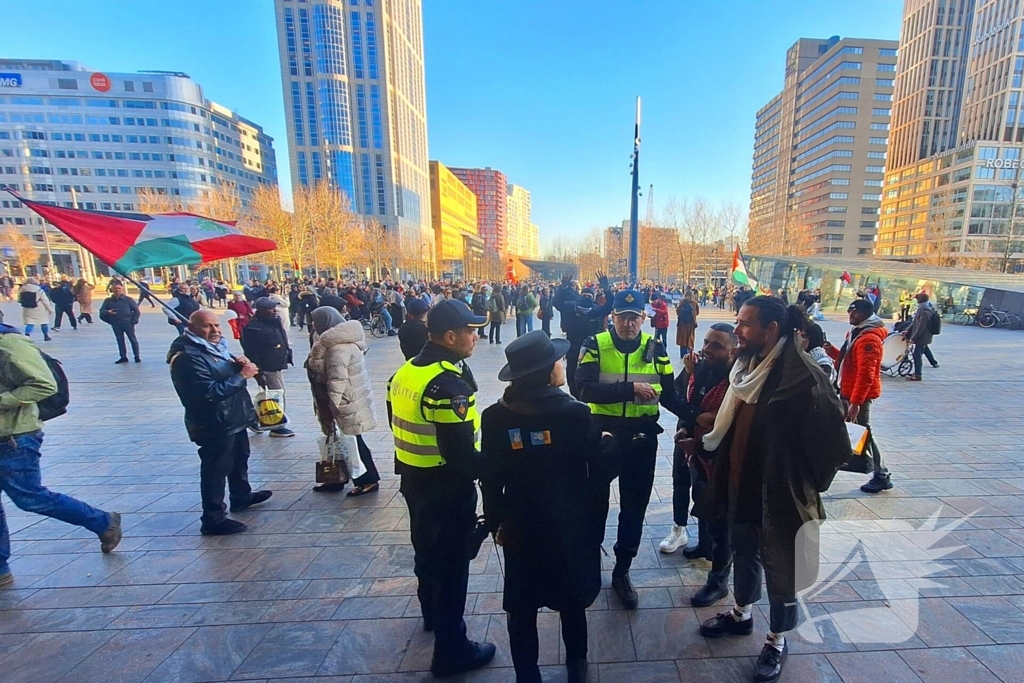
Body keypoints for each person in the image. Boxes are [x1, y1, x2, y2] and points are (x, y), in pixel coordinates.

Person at [698, 296, 849, 683]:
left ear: (771, 329)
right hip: (739, 483)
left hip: (780, 492)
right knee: (744, 550)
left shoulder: (803, 377)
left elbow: (833, 445)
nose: (737, 331)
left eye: (745, 324)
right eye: (738, 322)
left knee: (783, 566)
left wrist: (803, 484)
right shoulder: (745, 366)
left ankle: (778, 640)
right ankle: (741, 614)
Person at [481, 331, 617, 683]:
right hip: (567, 524)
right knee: (571, 601)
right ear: (545, 371)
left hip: (519, 526)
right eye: (558, 360)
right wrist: (609, 445)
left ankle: (527, 674)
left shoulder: (495, 416)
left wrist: (497, 521)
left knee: (521, 605)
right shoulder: (576, 414)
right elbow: (599, 473)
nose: (563, 363)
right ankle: (577, 665)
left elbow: (491, 476)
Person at [386, 299, 496, 677]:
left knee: (427, 554)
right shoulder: (447, 385)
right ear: (450, 336)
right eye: (471, 330)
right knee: (452, 568)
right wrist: (501, 468)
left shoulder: (407, 371)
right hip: (446, 488)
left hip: (414, 480)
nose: (476, 337)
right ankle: (452, 651)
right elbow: (462, 458)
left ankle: (431, 613)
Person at [576, 289, 686, 609]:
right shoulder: (595, 345)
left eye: (634, 318)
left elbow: (668, 394)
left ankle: (622, 571)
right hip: (602, 436)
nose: (628, 324)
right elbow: (583, 388)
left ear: (643, 318)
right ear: (612, 318)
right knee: (594, 506)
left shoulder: (655, 348)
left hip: (640, 438)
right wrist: (629, 390)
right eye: (622, 317)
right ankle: (589, 568)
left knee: (634, 508)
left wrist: (695, 416)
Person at [0, 320, 123, 585]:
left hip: (14, 438)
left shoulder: (9, 343)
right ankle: (0, 568)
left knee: (30, 497)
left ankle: (102, 521)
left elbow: (43, 384)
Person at [168, 310, 272, 535]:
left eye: (217, 325)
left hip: (233, 416)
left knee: (239, 458)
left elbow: (220, 375)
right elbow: (207, 392)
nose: (214, 331)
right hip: (214, 422)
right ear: (192, 328)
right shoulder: (188, 356)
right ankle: (213, 518)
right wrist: (242, 376)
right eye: (207, 326)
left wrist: (236, 366)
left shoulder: (215, 349)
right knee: (216, 468)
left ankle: (241, 495)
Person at [660, 323, 735, 559]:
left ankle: (710, 547)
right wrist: (685, 427)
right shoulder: (698, 367)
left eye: (717, 345)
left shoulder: (736, 379)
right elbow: (675, 396)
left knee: (708, 496)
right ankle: (680, 530)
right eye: (706, 342)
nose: (708, 349)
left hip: (714, 450)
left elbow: (724, 418)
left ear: (732, 351)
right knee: (681, 483)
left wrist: (701, 436)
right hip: (686, 439)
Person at [306, 307, 382, 495]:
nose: (313, 324)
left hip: (345, 402)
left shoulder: (338, 347)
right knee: (340, 440)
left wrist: (333, 405)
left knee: (353, 442)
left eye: (316, 320)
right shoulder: (331, 342)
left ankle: (368, 480)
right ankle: (335, 477)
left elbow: (337, 380)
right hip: (342, 401)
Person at [827, 299, 889, 493]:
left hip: (856, 395)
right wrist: (832, 351)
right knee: (860, 432)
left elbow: (866, 374)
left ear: (864, 314)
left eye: (854, 312)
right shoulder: (858, 333)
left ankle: (882, 474)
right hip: (848, 391)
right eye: (849, 310)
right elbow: (849, 362)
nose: (850, 315)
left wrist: (856, 403)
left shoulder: (869, 339)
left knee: (864, 434)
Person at [240, 297, 295, 438]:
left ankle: (255, 420)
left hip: (277, 365)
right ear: (262, 310)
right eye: (270, 308)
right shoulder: (254, 327)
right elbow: (251, 351)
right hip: (266, 366)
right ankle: (276, 426)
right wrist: (258, 373)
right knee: (275, 395)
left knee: (277, 394)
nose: (274, 310)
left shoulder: (274, 322)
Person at [563, 274, 613, 398]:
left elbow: (610, 305)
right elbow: (557, 302)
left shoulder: (596, 310)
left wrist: (606, 288)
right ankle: (575, 398)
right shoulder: (572, 309)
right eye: (584, 296)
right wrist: (563, 286)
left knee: (590, 376)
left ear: (593, 298)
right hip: (573, 349)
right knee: (571, 376)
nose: (586, 298)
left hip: (591, 350)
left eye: (589, 296)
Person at [99, 282, 141, 364]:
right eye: (115, 288)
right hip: (116, 324)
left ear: (122, 289)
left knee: (133, 340)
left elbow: (136, 311)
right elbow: (101, 312)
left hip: (128, 323)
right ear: (112, 289)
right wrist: (108, 313)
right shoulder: (108, 301)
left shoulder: (128, 300)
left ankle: (137, 356)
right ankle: (123, 357)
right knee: (120, 340)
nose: (117, 290)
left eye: (119, 288)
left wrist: (134, 321)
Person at [905, 292, 940, 382]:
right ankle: (934, 362)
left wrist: (913, 338)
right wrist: (907, 330)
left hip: (923, 336)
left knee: (917, 354)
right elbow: (915, 323)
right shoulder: (922, 309)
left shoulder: (925, 311)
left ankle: (918, 374)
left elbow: (921, 326)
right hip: (923, 337)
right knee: (924, 349)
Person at [19, 277, 53, 341]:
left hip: (27, 308)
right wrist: (50, 309)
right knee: (43, 322)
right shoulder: (38, 289)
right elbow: (45, 300)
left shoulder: (22, 289)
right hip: (39, 307)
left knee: (30, 322)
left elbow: (19, 299)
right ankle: (46, 336)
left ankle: (27, 335)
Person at [676, 292, 699, 359]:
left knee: (682, 339)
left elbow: (678, 311)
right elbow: (697, 312)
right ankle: (689, 354)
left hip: (682, 324)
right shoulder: (694, 303)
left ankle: (683, 355)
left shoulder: (682, 302)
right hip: (691, 324)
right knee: (690, 338)